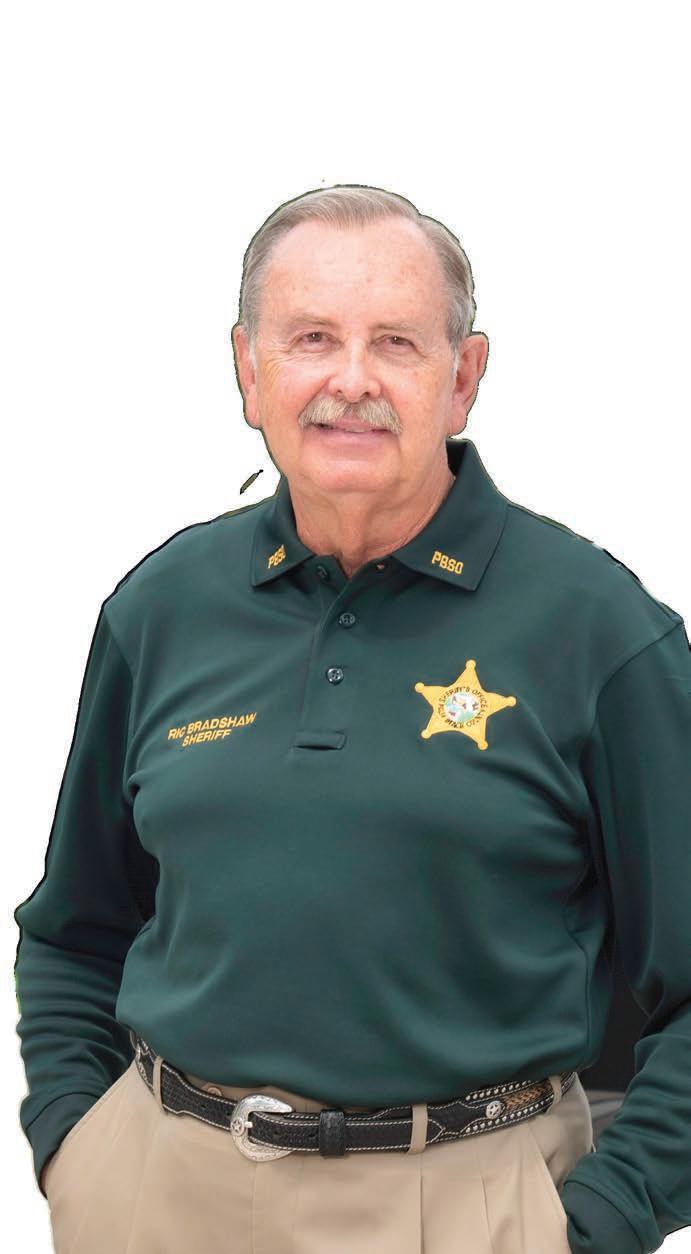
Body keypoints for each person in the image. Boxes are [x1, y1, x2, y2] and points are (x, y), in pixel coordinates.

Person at [13, 183, 691, 1254]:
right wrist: (73, 1145)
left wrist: (604, 1219)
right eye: (311, 339)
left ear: (461, 379)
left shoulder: (599, 632)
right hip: (156, 1196)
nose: (351, 381)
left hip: (465, 1207)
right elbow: (74, 928)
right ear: (249, 370)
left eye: (396, 343)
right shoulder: (161, 608)